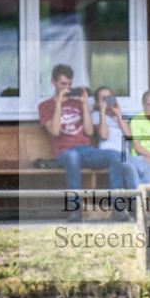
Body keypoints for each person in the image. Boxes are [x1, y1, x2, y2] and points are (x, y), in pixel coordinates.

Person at [38, 64, 117, 222]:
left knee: (115, 156)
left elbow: (88, 131)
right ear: (53, 82)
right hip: (64, 152)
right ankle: (75, 209)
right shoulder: (45, 106)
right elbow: (54, 131)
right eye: (63, 84)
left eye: (69, 84)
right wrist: (59, 103)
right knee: (73, 157)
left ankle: (118, 207)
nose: (67, 88)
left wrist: (84, 103)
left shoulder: (77, 104)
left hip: (85, 150)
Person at [92, 86, 150, 220]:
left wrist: (119, 114)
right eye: (104, 98)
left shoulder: (118, 115)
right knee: (131, 169)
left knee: (147, 166)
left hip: (126, 155)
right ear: (97, 102)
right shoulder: (96, 116)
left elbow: (130, 137)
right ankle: (140, 208)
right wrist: (102, 112)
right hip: (110, 155)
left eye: (109, 97)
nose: (107, 101)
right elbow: (103, 134)